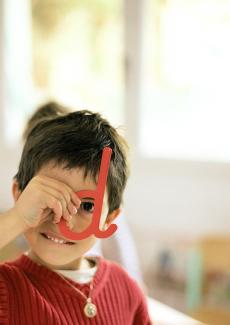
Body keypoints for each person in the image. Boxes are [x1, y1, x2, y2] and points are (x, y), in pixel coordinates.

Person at [0, 103, 152, 324]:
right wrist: (17, 217)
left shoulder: (126, 288)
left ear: (109, 218)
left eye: (87, 206)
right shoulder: (7, 288)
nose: (63, 219)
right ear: (19, 195)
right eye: (47, 198)